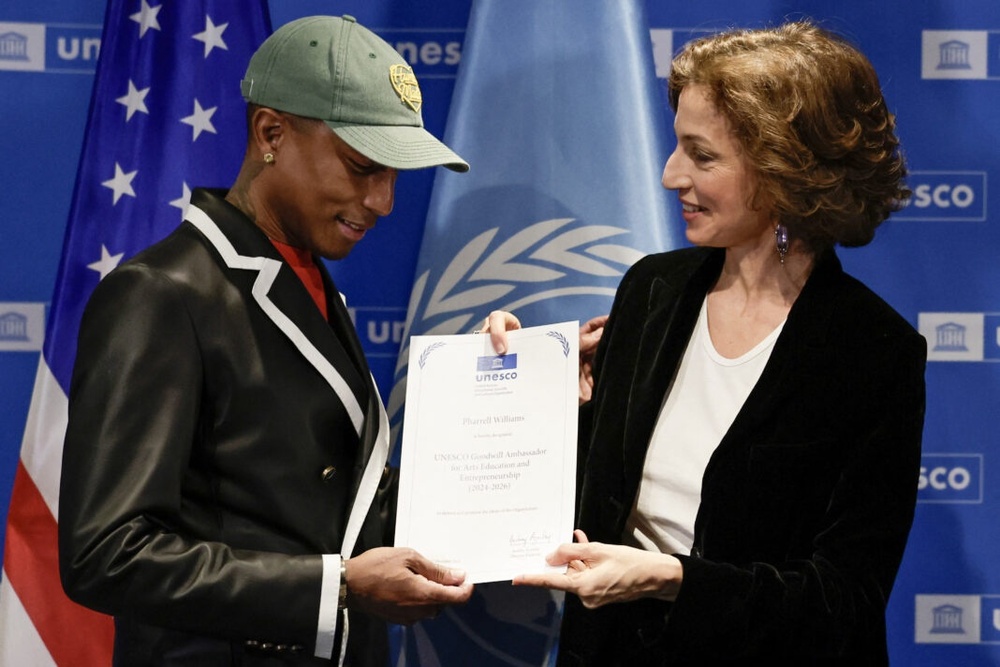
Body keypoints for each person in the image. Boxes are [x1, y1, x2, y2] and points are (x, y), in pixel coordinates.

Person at [58, 15, 515, 666]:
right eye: (362, 166)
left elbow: (333, 506)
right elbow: (106, 553)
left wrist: (520, 392)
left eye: (394, 174)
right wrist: (336, 587)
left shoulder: (307, 284)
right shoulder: (160, 294)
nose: (383, 200)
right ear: (271, 133)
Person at [512, 20, 927, 665]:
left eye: (702, 156)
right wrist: (519, 391)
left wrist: (672, 579)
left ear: (786, 169)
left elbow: (843, 601)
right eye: (677, 146)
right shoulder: (651, 290)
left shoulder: (872, 351)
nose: (669, 175)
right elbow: (582, 502)